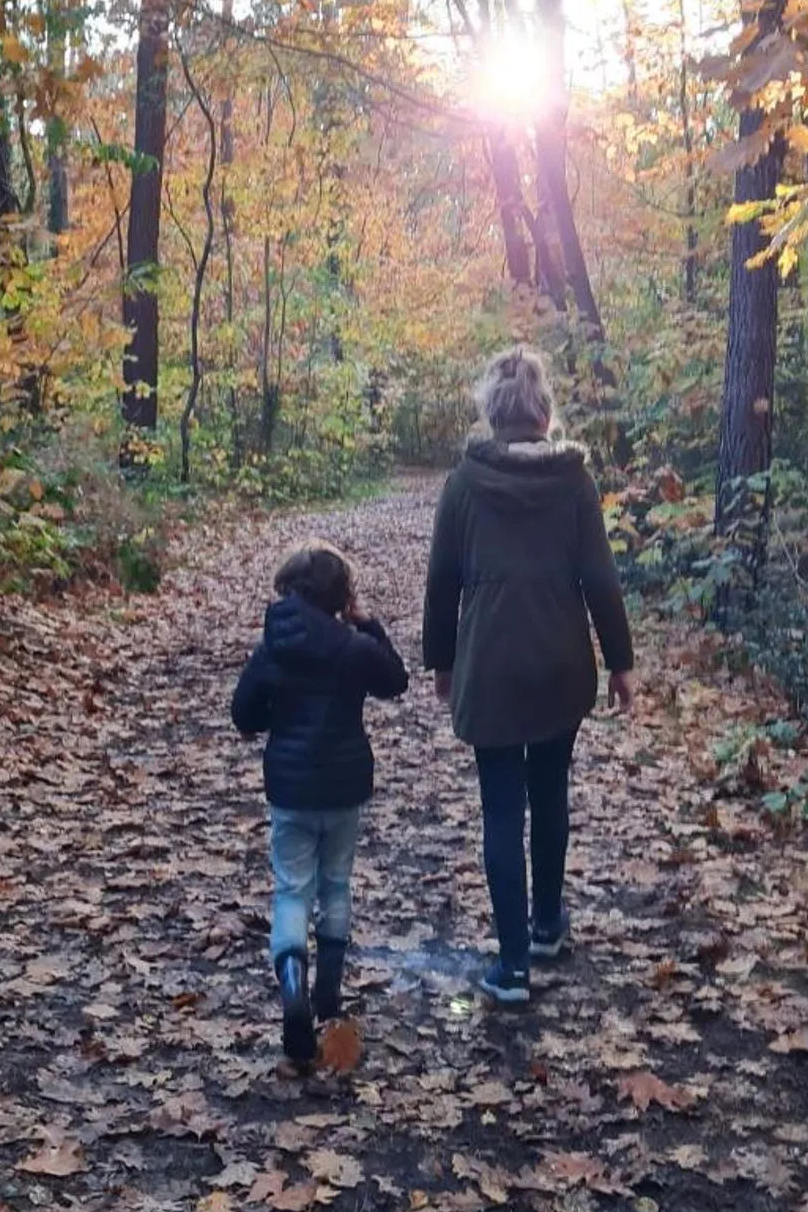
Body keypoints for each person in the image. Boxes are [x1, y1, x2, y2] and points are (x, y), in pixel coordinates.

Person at [422, 348, 635, 1006]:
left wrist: (443, 662)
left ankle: (512, 966)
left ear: (492, 411)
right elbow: (600, 578)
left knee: (500, 808)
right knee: (549, 793)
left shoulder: (464, 483)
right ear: (544, 411)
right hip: (559, 663)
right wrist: (620, 662)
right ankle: (547, 924)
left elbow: (442, 582)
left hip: (490, 665)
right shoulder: (573, 482)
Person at [232, 543, 408, 1064]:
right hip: (344, 786)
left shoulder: (273, 648)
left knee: (291, 890)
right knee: (335, 883)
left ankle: (292, 985)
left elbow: (244, 714)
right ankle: (327, 991)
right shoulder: (353, 647)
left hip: (291, 789)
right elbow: (395, 680)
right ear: (342, 597)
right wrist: (369, 624)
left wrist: (276, 719)